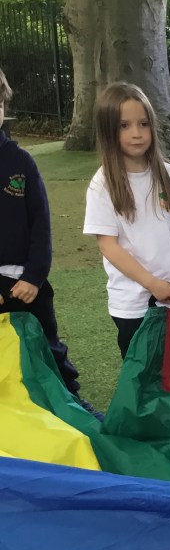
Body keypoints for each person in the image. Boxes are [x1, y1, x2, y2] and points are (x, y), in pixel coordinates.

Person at [83, 81, 170, 360]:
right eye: (125, 125)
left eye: (143, 124)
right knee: (142, 375)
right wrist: (151, 283)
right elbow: (108, 246)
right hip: (133, 304)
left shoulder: (169, 175)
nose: (137, 133)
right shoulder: (102, 184)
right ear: (109, 130)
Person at [0, 67, 84, 400]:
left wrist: (34, 277)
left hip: (28, 285)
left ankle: (72, 401)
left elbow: (41, 224)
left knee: (48, 348)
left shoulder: (21, 162)